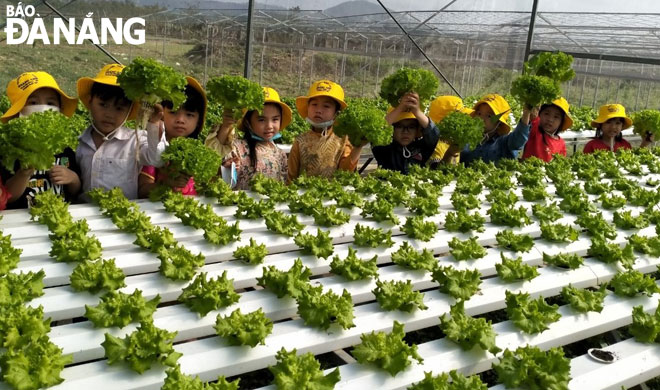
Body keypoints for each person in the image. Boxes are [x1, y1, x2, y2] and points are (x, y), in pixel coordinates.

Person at [75, 64, 167, 201]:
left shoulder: (135, 140)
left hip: (121, 217)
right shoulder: (80, 142)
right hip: (86, 216)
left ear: (129, 110)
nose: (109, 114)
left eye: (119, 108)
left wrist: (153, 125)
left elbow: (157, 158)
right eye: (103, 105)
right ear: (90, 102)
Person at [1, 71, 81, 209]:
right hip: (21, 223)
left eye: (50, 103)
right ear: (17, 112)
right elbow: (8, 197)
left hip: (59, 219)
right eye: (33, 102)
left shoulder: (64, 147)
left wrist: (73, 178)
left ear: (60, 110)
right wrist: (23, 174)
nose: (43, 109)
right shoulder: (11, 150)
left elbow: (75, 190)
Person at [138, 77, 207, 198]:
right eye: (173, 112)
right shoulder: (154, 146)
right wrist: (166, 184)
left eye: (189, 115)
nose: (180, 120)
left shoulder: (200, 153)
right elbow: (142, 189)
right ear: (161, 114)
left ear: (199, 121)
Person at [287, 80, 366, 182]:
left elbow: (346, 173)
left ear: (336, 113)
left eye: (326, 106)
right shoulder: (300, 141)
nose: (318, 110)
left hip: (333, 197)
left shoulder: (343, 140)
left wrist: (358, 147)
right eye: (314, 104)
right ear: (308, 108)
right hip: (304, 196)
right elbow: (291, 176)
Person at [213, 87, 291, 190]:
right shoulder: (238, 147)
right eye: (261, 120)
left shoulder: (280, 154)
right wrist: (227, 168)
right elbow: (216, 157)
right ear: (248, 122)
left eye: (275, 119)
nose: (269, 126)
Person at [372, 92, 440, 174]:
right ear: (391, 129)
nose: (405, 132)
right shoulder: (384, 148)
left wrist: (417, 111)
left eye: (411, 127)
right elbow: (376, 132)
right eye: (399, 126)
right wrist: (400, 108)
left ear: (417, 130)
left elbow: (434, 133)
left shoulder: (422, 147)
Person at [460, 94, 532, 165]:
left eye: (489, 116)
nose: (482, 119)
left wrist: (526, 113)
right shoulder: (466, 139)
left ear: (499, 123)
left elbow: (519, 138)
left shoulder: (505, 142)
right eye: (479, 114)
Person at [583, 104, 653, 153]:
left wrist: (644, 144)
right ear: (600, 125)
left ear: (622, 126)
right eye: (608, 122)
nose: (613, 127)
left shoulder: (625, 145)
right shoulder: (591, 146)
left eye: (617, 123)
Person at [427, 95, 474, 166]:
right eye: (460, 118)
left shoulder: (451, 141)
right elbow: (437, 170)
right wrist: (450, 154)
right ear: (446, 122)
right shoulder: (438, 146)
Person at [521, 97, 572, 162]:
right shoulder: (535, 131)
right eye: (546, 114)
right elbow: (525, 125)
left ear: (561, 122)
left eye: (556, 117)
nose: (550, 119)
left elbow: (560, 163)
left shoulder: (561, 143)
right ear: (539, 114)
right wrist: (529, 112)